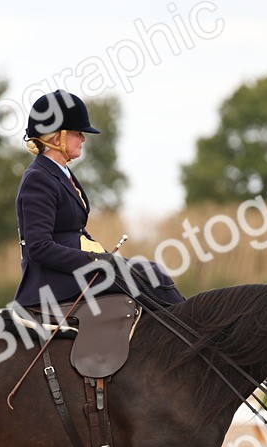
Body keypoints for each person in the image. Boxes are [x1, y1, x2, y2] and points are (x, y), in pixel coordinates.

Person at [12, 90, 184, 315]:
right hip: (53, 281)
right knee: (149, 273)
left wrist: (103, 256)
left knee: (152, 272)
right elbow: (38, 247)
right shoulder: (38, 178)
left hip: (74, 272)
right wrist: (95, 260)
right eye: (77, 133)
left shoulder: (61, 173)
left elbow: (74, 232)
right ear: (57, 138)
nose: (83, 138)